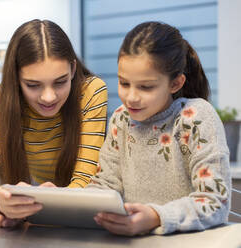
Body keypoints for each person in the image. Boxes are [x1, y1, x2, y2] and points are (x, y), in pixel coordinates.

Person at [88, 21, 231, 236]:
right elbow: (105, 184)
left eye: (146, 87)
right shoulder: (120, 119)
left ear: (175, 83)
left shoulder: (196, 118)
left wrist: (156, 216)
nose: (131, 97)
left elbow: (214, 201)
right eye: (124, 83)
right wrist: (63, 202)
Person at [0, 19, 108, 228]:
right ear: (16, 78)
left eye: (60, 82)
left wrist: (51, 199)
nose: (49, 97)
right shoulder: (0, 99)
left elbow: (85, 181)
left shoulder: (91, 92)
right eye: (33, 85)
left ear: (73, 69)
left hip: (85, 217)